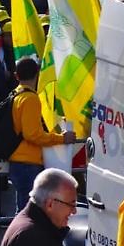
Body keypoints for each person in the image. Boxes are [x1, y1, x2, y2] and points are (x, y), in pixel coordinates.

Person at [7, 56, 76, 210]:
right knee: (30, 210)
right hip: (28, 163)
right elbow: (32, 135)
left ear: (16, 76)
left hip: (18, 161)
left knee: (23, 209)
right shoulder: (30, 98)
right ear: (37, 74)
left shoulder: (15, 94)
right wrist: (61, 138)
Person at [0, 168, 80, 246]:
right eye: (71, 204)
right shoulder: (29, 237)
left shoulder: (40, 227)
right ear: (50, 204)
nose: (74, 211)